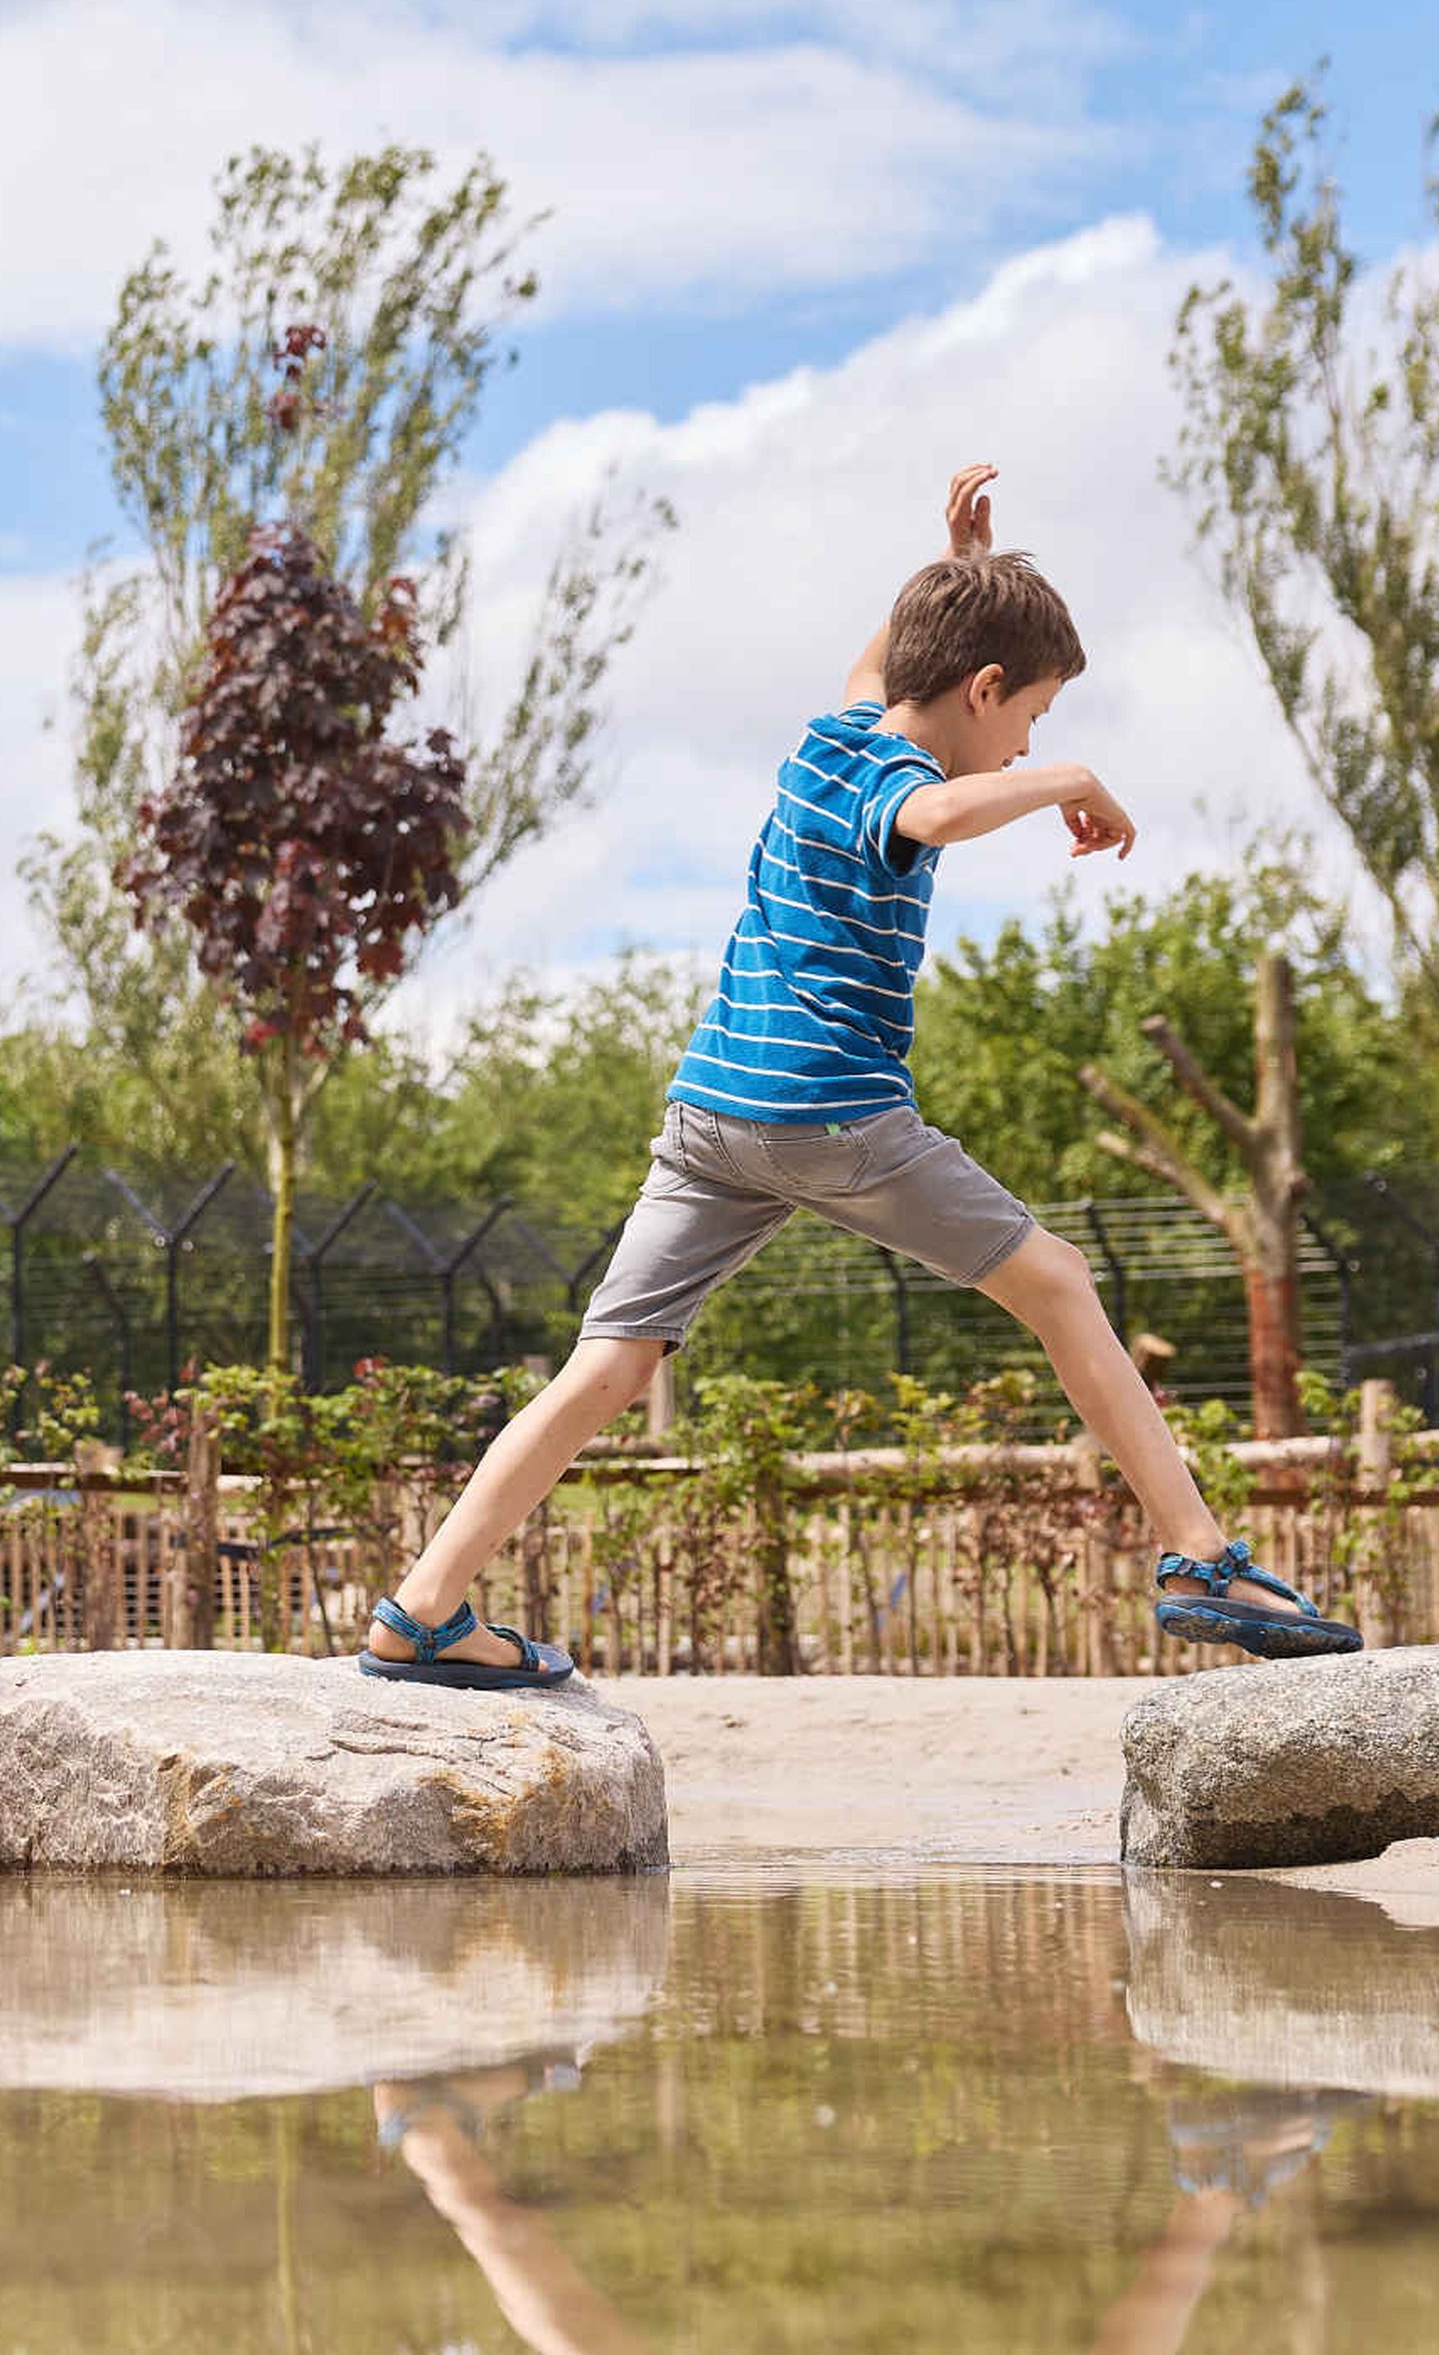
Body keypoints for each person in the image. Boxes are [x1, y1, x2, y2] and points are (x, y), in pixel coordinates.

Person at [362, 464, 1356, 1687]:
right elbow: (933, 818)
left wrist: (953, 569)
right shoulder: (902, 784)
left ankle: (422, 1610)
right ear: (984, 690)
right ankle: (1200, 1557)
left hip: (712, 1114)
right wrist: (1071, 781)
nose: (1030, 743)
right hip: (830, 1111)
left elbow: (881, 668)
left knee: (610, 1363)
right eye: (1032, 716)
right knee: (1059, 1281)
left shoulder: (828, 741)